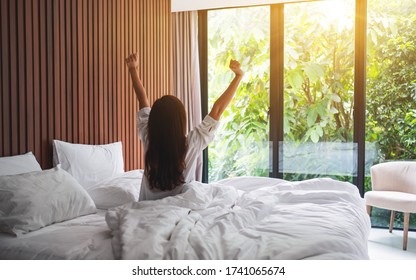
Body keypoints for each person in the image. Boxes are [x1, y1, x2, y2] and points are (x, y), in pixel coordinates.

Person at [125, 53, 244, 201]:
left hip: (145, 211)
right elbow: (217, 109)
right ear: (181, 121)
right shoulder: (191, 144)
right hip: (178, 211)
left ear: (154, 121)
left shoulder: (148, 138)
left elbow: (142, 100)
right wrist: (238, 76)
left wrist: (133, 70)